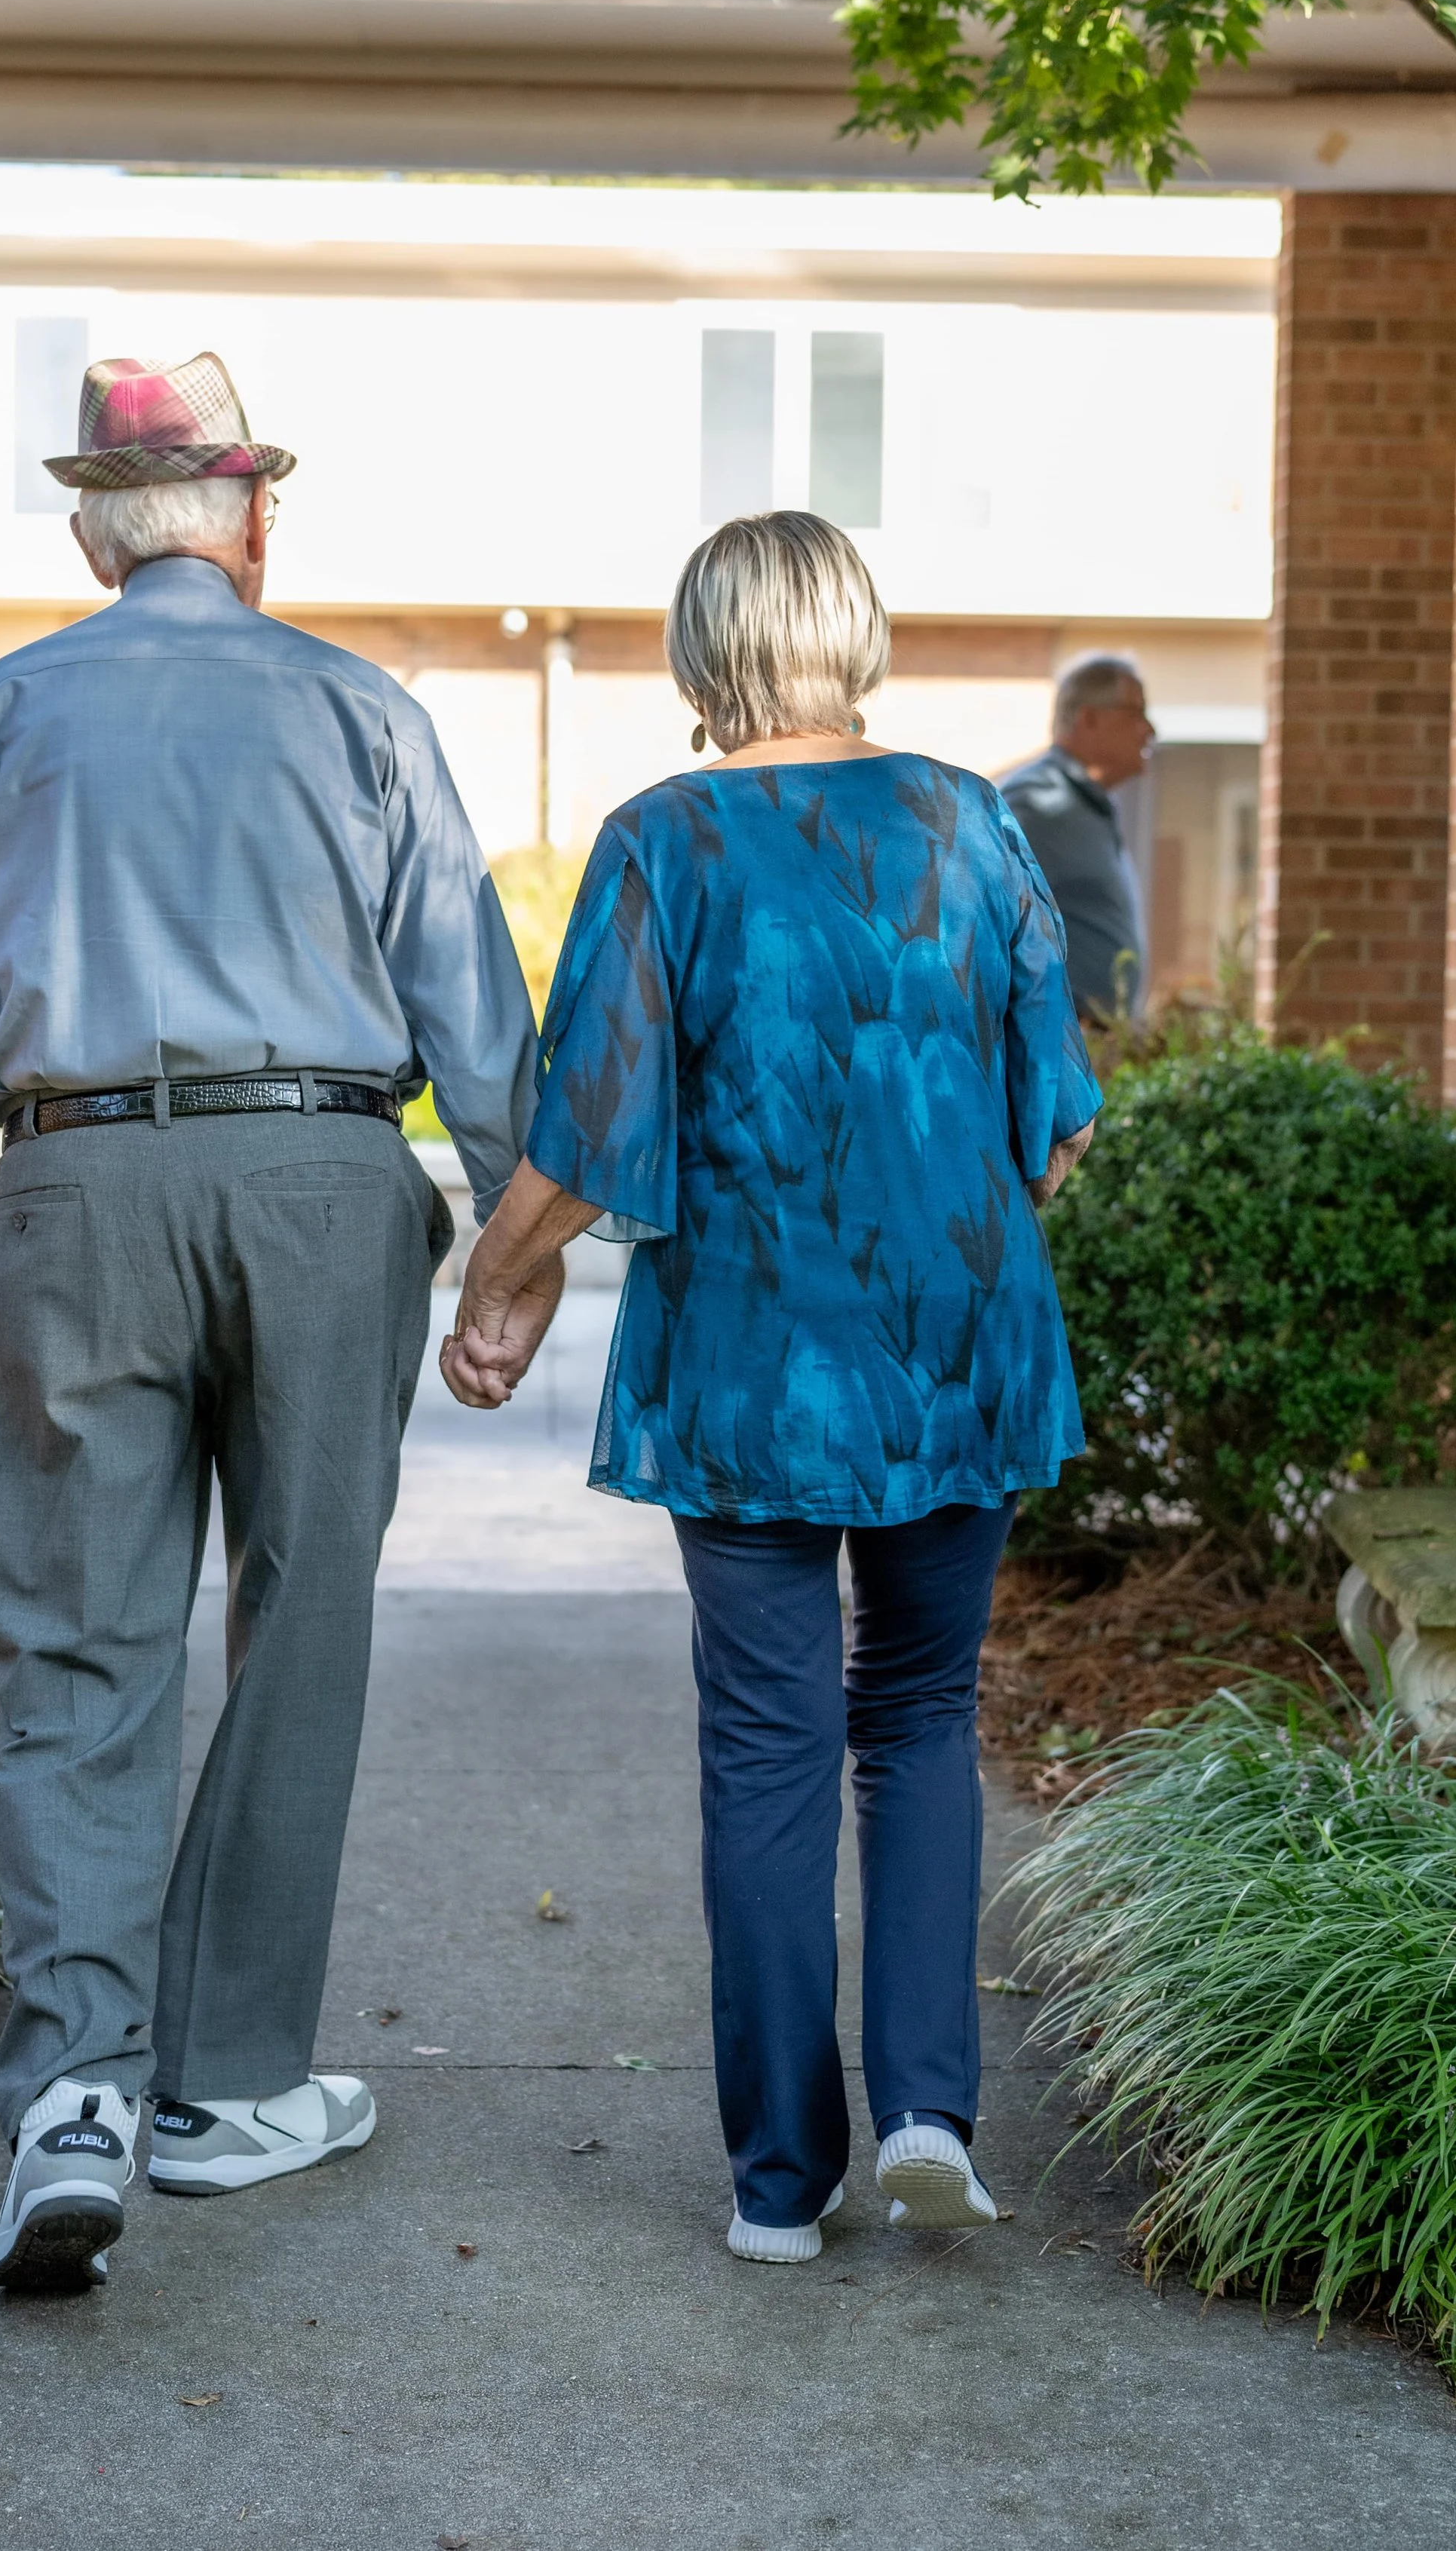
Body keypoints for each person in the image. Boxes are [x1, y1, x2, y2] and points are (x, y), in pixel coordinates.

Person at [0, 351, 537, 2293]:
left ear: (92, 533)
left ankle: (76, 2091)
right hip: (323, 1177)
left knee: (75, 1637)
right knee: (305, 1617)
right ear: (253, 521)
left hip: (72, 1185)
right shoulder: (362, 710)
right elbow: (470, 996)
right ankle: (225, 2085)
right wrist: (513, 1240)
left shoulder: (2, 709)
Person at [440, 511, 1100, 2263]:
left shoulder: (664, 839)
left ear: (701, 651)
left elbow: (589, 1127)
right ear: (853, 637)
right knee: (921, 1711)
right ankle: (931, 2113)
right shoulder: (970, 820)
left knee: (766, 1740)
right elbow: (1054, 1126)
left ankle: (779, 2183)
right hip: (954, 1346)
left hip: (748, 1360)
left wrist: (494, 1281)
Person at [998, 652, 1155, 1023]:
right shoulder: (1035, 802)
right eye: (1136, 712)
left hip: (1099, 1039)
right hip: (1058, 1038)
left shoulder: (1090, 804)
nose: (1149, 730)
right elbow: (987, 921)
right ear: (1089, 719)